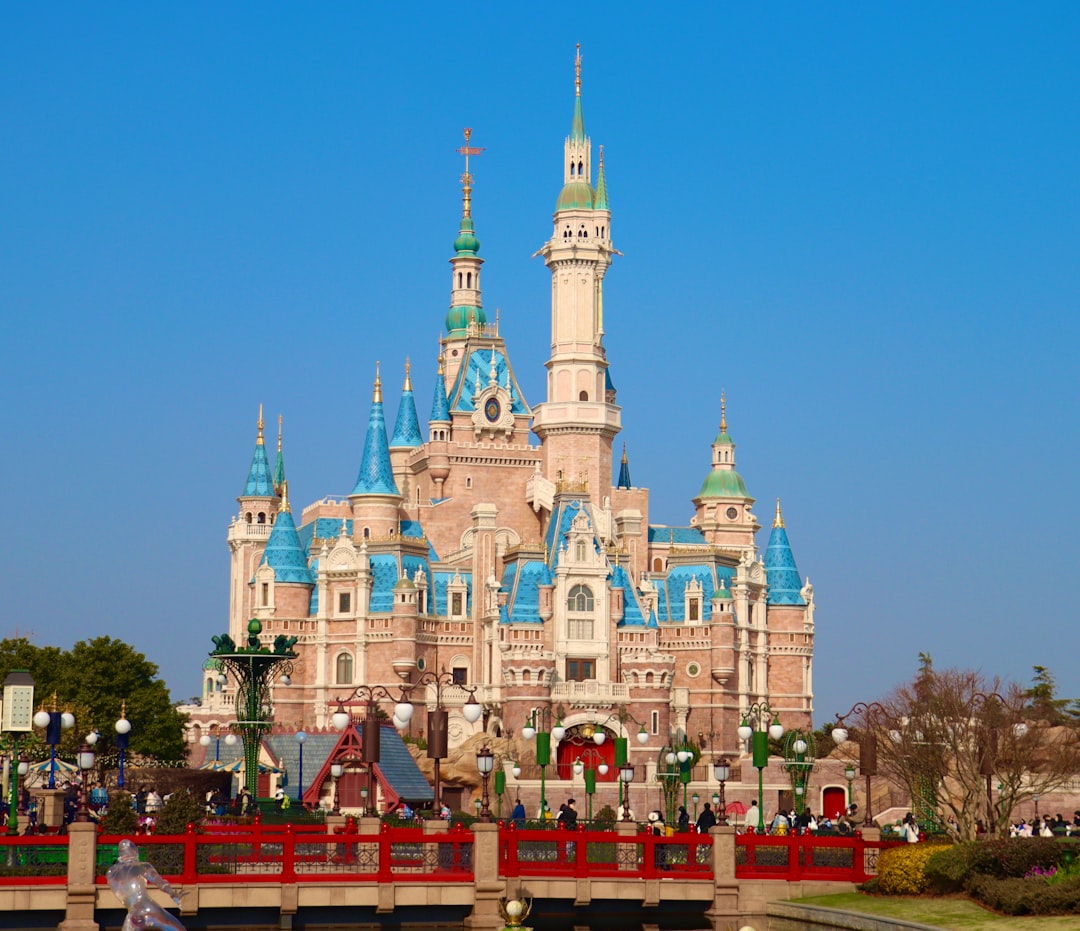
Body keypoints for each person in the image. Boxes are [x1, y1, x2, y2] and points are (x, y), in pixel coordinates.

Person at [106, 838, 187, 931]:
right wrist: (172, 893)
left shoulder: (111, 872)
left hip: (133, 914)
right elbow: (160, 883)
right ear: (134, 851)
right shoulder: (143, 866)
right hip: (148, 908)